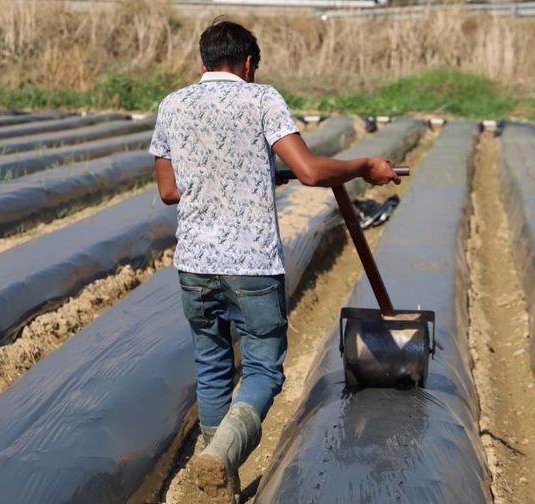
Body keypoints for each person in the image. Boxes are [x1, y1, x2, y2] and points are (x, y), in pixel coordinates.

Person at [149, 19, 400, 503]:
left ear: (203, 63)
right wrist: (366, 166)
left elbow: (169, 190)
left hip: (195, 264)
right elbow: (310, 171)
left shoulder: (173, 104)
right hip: (251, 263)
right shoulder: (261, 98)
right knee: (263, 370)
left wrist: (256, 176)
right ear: (248, 63)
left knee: (212, 363)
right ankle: (222, 458)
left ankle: (216, 483)